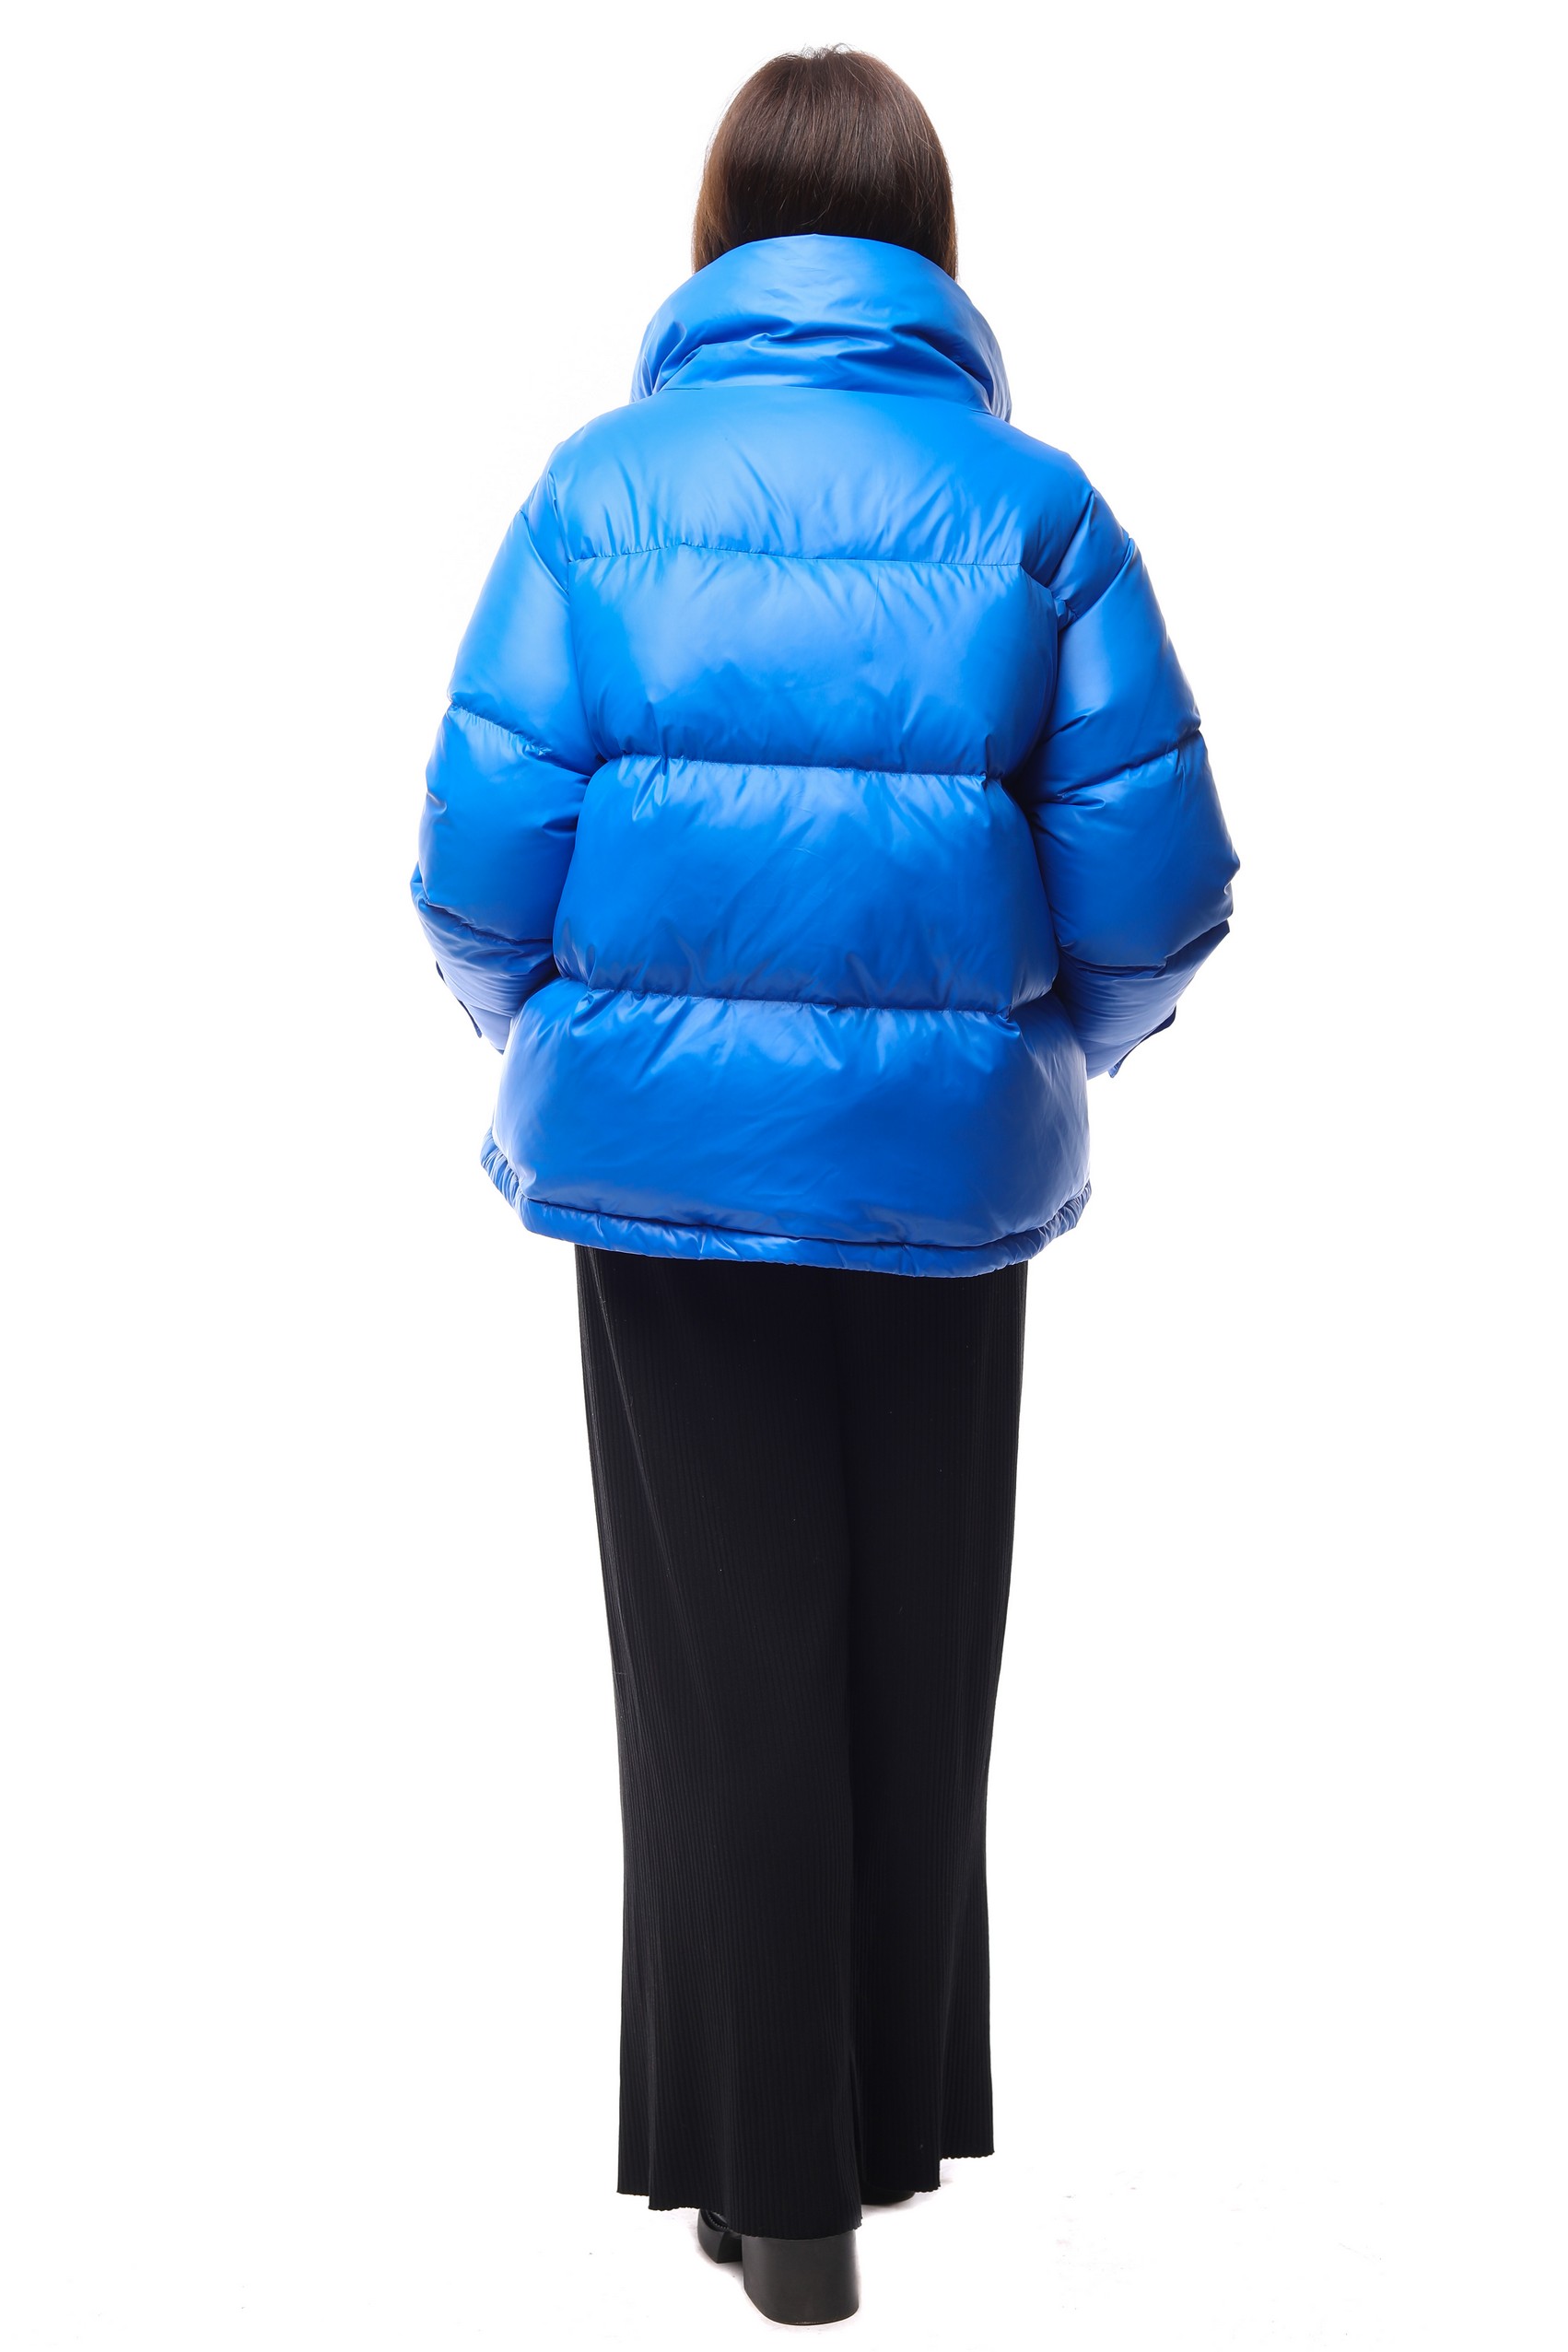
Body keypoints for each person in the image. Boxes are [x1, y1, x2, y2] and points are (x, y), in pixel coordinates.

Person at [411, 45, 1236, 2329]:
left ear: (717, 238)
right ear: (926, 249)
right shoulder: (1033, 509)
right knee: (912, 1652)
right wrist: (1030, 1048)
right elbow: (1159, 888)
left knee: (715, 1667)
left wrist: (583, 1036)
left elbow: (474, 868)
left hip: (656, 1172)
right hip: (942, 1185)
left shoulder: (597, 495)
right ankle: (856, 2143)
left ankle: (757, 2177)